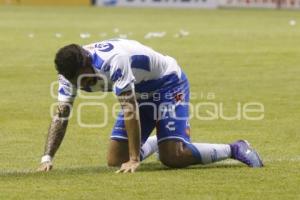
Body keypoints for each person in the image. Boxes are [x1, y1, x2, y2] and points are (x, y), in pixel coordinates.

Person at [38, 39, 263, 173]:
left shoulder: (113, 61)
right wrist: (47, 157)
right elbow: (61, 115)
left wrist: (135, 159)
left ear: (88, 60)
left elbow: (129, 108)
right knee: (115, 160)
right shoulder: (67, 77)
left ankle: (234, 148)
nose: (87, 85)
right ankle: (161, 140)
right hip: (140, 90)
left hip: (168, 83)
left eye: (87, 78)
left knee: (172, 157)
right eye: (80, 83)